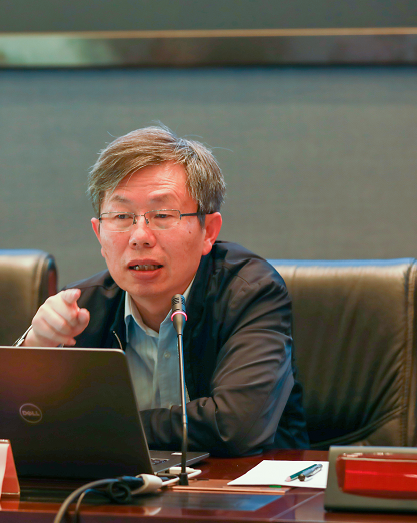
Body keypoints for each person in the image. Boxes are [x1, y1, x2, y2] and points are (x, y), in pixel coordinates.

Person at [18, 125, 308, 456]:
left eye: (162, 215)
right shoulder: (81, 309)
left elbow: (235, 426)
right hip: (124, 485)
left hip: (244, 484)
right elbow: (16, 421)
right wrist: (35, 348)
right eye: (122, 216)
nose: (140, 236)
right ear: (99, 234)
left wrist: (98, 426)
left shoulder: (251, 293)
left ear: (208, 231)